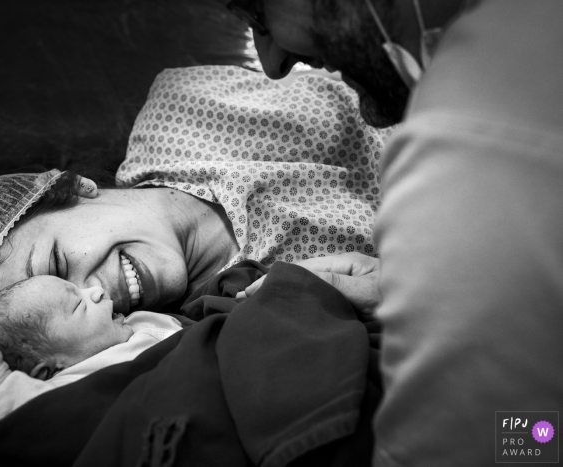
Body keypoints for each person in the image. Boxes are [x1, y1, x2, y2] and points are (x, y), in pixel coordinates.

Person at [222, 0, 563, 465]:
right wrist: (431, 290)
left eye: (259, 16)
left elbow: (506, 451)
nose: (272, 63)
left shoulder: (466, 148)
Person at [0, 65, 390, 355]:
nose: (97, 298)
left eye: (57, 267)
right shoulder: (233, 324)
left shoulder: (182, 105)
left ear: (72, 188)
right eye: (64, 315)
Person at [0, 275, 183, 421]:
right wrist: (3, 381)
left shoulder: (134, 323)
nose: (97, 290)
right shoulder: (75, 381)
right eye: (78, 305)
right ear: (49, 371)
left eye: (78, 289)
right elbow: (27, 414)